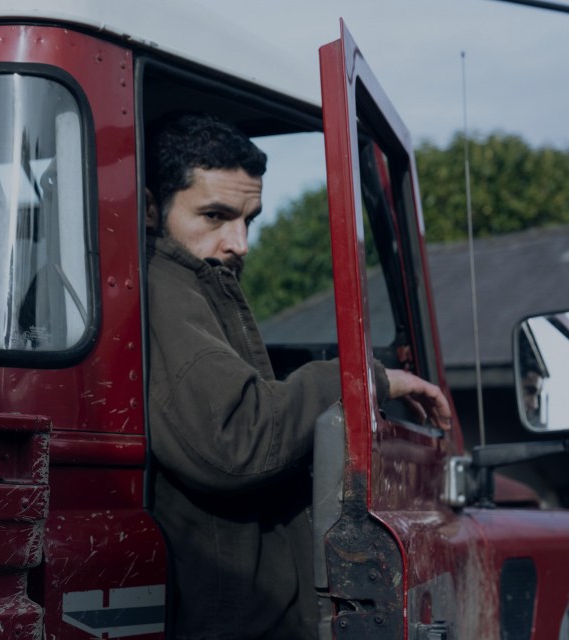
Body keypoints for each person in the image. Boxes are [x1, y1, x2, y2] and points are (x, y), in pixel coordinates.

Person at [144, 114, 451, 639]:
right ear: (152, 208)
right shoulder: (161, 283)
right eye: (215, 215)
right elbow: (240, 436)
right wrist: (370, 380)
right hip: (229, 617)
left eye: (248, 219)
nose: (239, 242)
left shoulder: (198, 283)